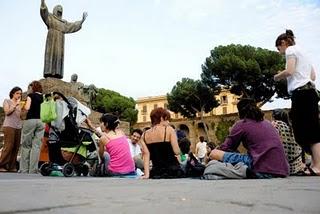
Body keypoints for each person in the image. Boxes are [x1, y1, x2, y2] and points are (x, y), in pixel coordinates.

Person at [274, 29, 320, 176]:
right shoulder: (304, 53)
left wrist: (277, 76)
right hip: (310, 92)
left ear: (283, 43)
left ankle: (317, 165)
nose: (279, 51)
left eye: (278, 47)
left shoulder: (291, 50)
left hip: (302, 93)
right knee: (310, 128)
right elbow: (312, 76)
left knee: (305, 130)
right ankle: (315, 164)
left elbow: (290, 70)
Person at [210, 98, 289, 178]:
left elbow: (226, 148)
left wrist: (212, 152)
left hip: (261, 168)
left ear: (239, 112)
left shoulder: (242, 124)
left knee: (214, 153)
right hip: (282, 170)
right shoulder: (268, 123)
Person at [40, 0, 88, 79]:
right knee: (50, 54)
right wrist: (42, 2)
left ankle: (58, 73)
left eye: (61, 10)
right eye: (58, 9)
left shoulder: (64, 23)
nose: (60, 11)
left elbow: (72, 26)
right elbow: (44, 12)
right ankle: (48, 72)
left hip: (60, 41)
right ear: (55, 10)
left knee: (58, 55)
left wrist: (81, 21)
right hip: (51, 39)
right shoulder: (50, 17)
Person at [98, 114, 150, 178]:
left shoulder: (103, 138)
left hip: (115, 172)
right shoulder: (121, 133)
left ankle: (93, 171)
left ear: (106, 124)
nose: (100, 125)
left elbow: (100, 155)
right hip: (131, 170)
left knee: (105, 155)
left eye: (101, 123)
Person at [141, 107, 184, 178]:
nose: (168, 122)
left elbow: (146, 156)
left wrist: (146, 174)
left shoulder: (144, 134)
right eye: (167, 119)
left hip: (156, 172)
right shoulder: (169, 130)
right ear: (161, 118)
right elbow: (176, 151)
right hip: (172, 171)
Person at [19, 81, 45, 173]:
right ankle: (33, 169)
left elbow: (27, 107)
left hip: (30, 120)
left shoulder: (31, 96)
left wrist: (22, 107)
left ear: (33, 88)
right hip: (41, 122)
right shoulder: (44, 97)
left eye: (30, 87)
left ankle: (24, 169)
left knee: (26, 145)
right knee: (36, 146)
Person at [272, 109, 305, 175]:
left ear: (273, 116)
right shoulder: (292, 126)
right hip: (296, 166)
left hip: (284, 166)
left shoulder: (276, 124)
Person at [0, 87, 23, 172]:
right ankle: (1, 165)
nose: (19, 95)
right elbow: (7, 112)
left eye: (20, 93)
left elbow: (22, 116)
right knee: (8, 146)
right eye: (17, 93)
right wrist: (15, 105)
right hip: (9, 126)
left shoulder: (20, 104)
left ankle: (11, 166)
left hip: (18, 126)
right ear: (13, 93)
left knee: (16, 147)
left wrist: (23, 109)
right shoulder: (7, 101)